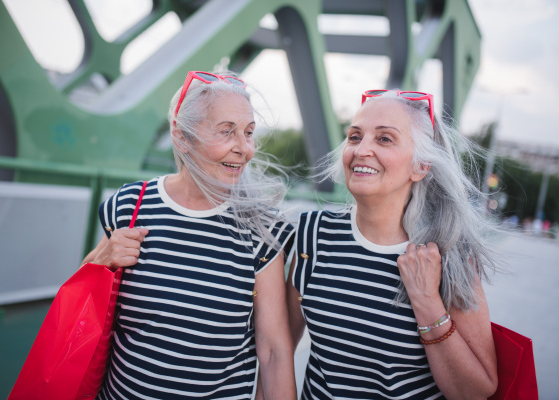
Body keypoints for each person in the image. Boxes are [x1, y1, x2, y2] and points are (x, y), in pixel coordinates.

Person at [82, 71, 297, 399]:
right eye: (227, 132)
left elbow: (273, 352)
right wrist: (102, 259)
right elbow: (83, 296)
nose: (244, 148)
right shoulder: (131, 205)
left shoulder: (262, 228)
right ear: (181, 136)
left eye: (249, 133)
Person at [287, 90, 499, 399]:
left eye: (384, 139)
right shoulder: (312, 235)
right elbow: (277, 349)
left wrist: (427, 302)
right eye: (355, 137)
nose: (362, 150)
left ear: (421, 165)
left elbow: (476, 391)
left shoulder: (447, 252)